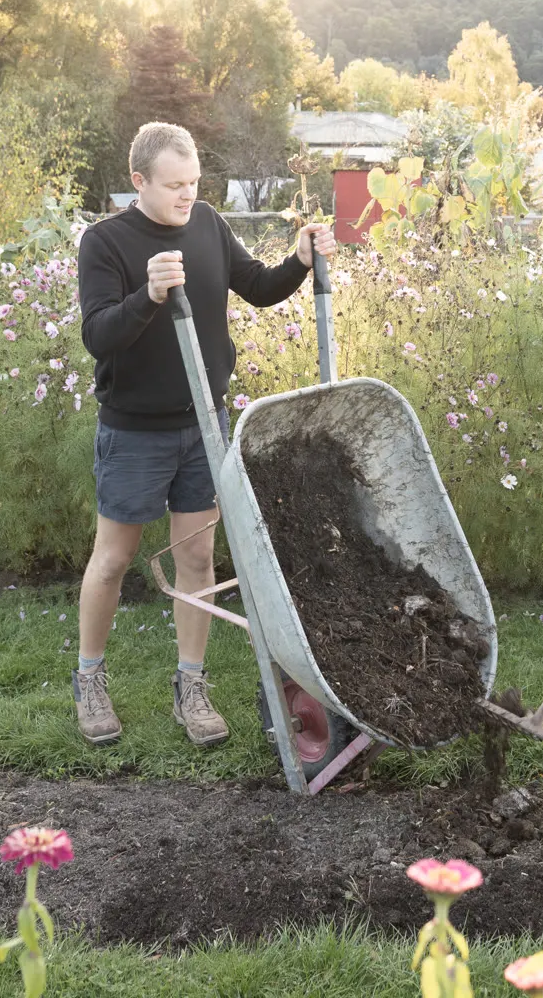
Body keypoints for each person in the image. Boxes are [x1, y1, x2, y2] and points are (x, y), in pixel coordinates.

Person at [74, 121, 336, 748]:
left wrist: (298, 261)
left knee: (197, 558)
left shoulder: (209, 224)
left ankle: (190, 684)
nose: (186, 196)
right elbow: (98, 335)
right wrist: (150, 294)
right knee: (114, 558)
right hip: (135, 432)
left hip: (205, 424)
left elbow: (258, 288)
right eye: (173, 186)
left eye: (193, 183)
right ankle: (89, 678)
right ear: (139, 182)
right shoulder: (105, 242)